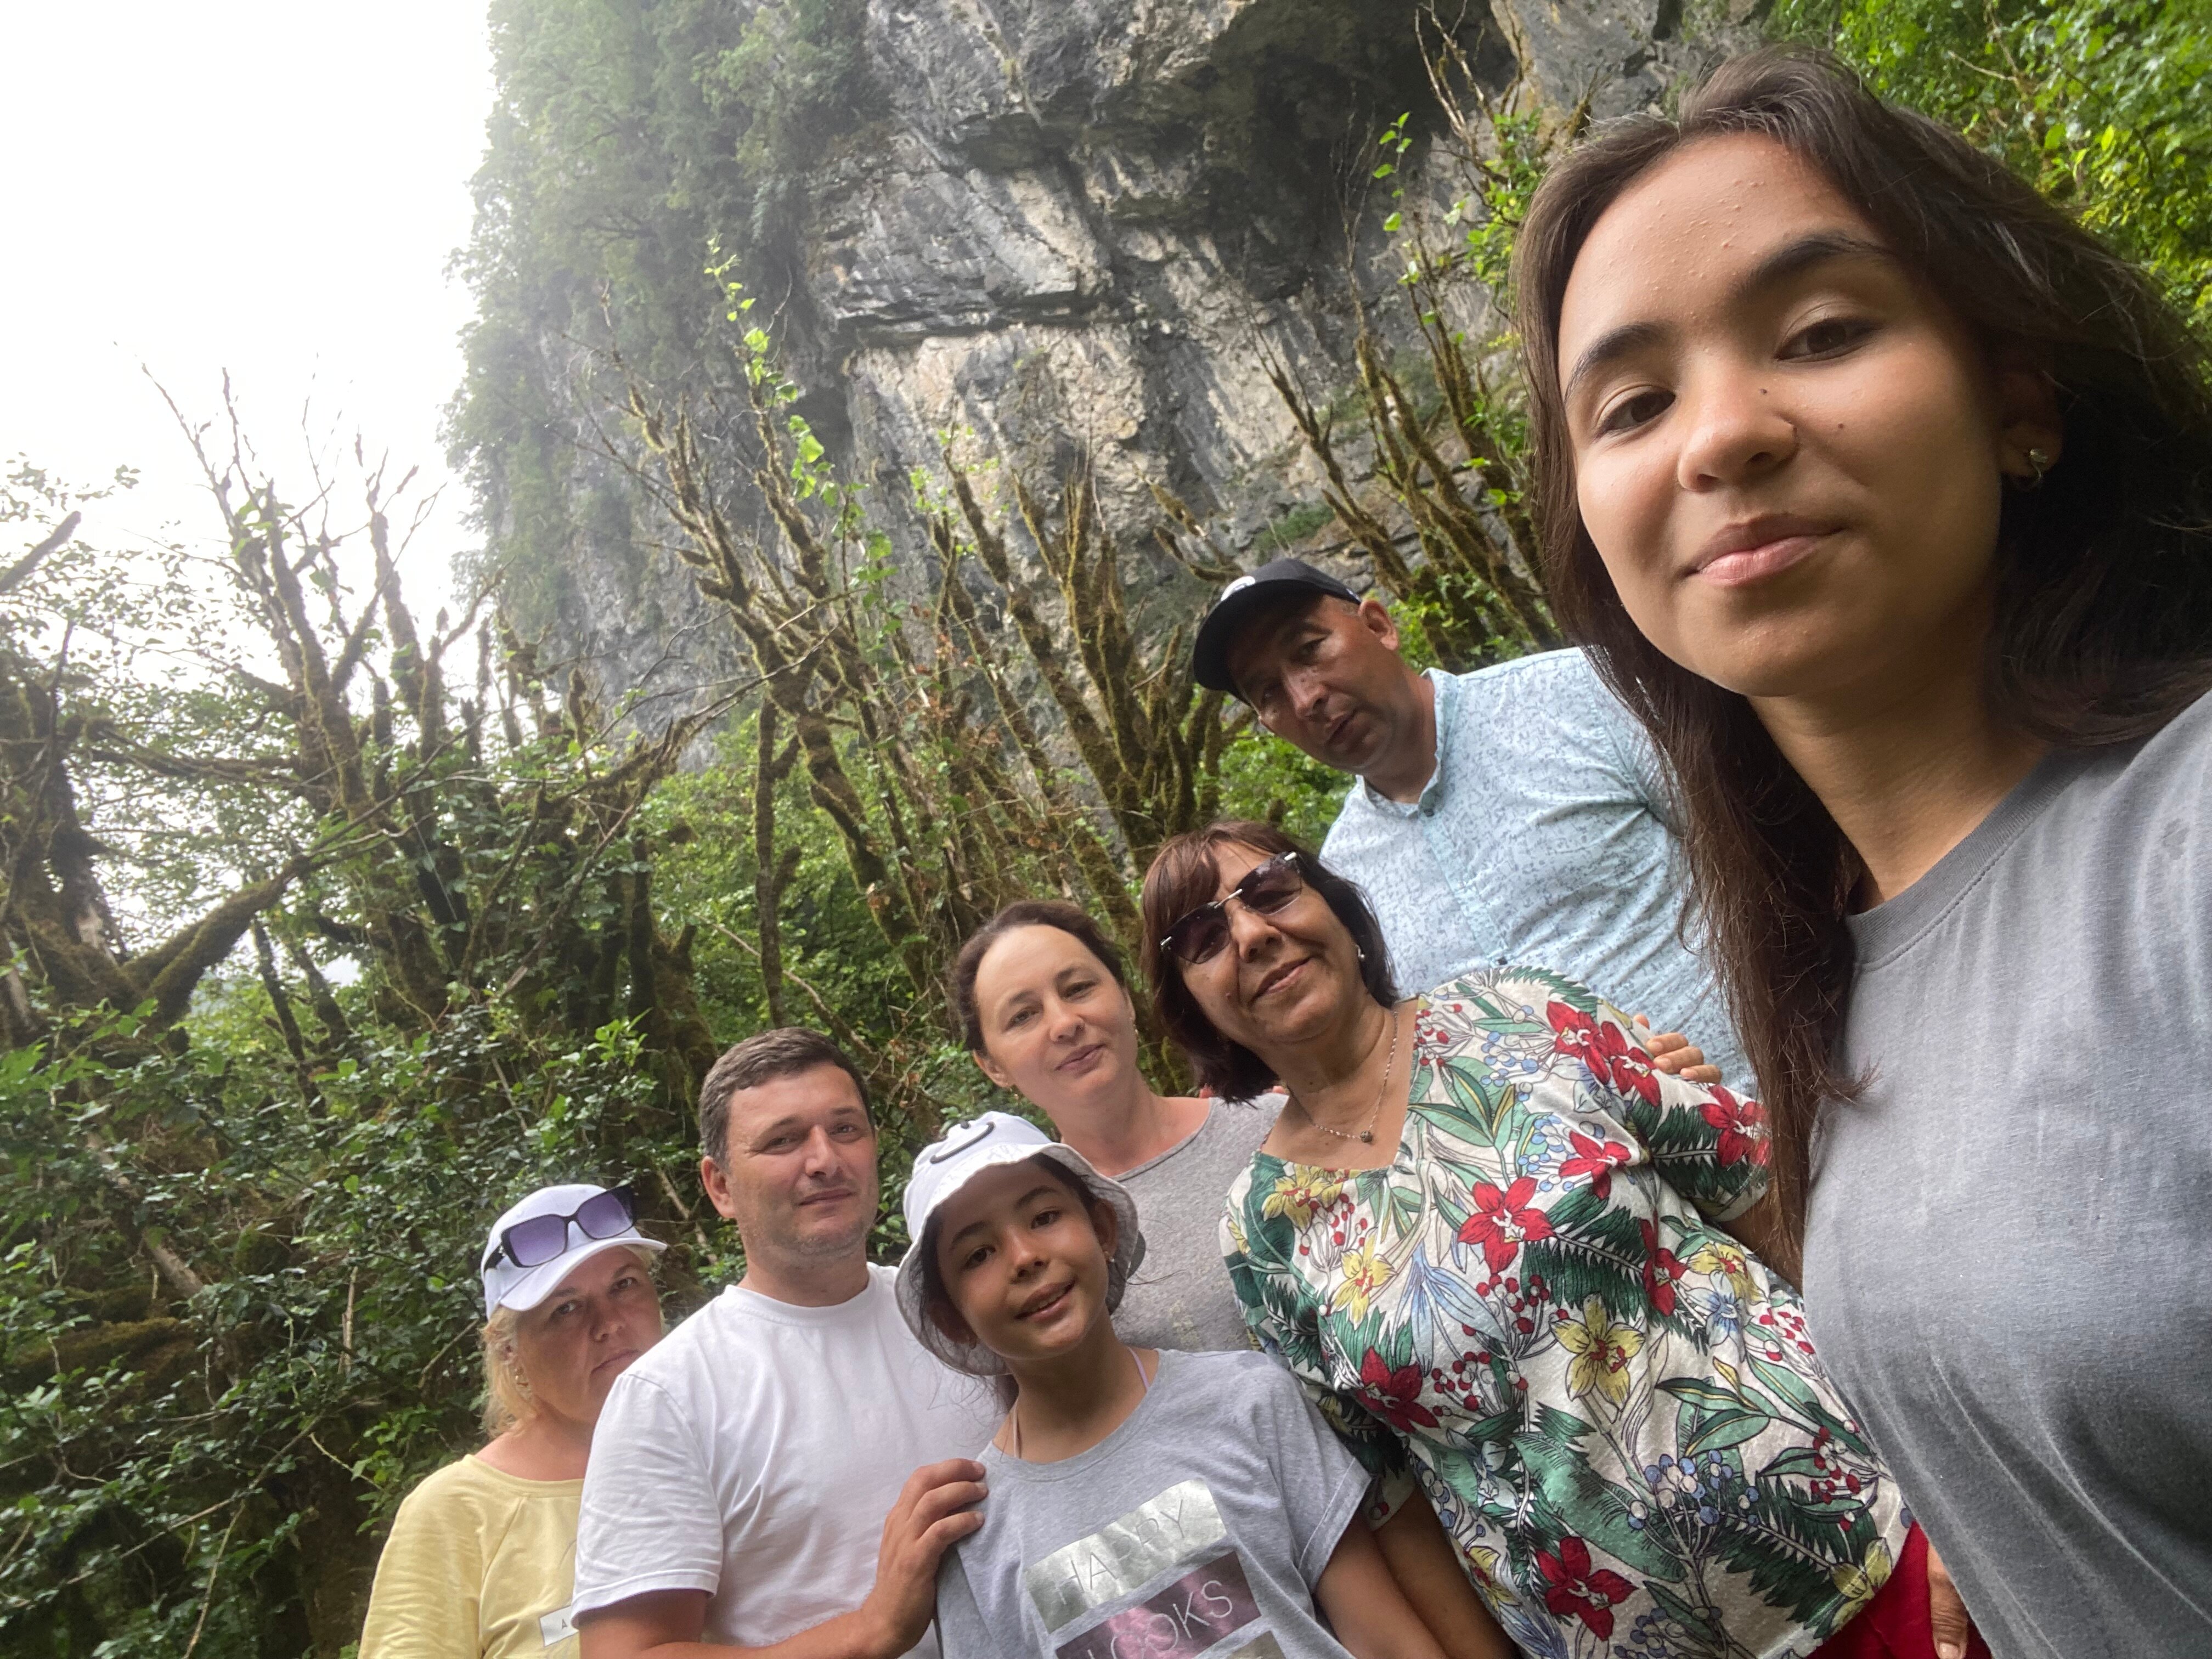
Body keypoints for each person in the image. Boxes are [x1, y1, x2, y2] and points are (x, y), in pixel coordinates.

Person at [1513, 45, 2212, 1658]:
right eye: (1635, 403)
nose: (1723, 437)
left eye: (1820, 333)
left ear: (2018, 397)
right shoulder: (1836, 979)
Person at [1144, 820, 1970, 1659]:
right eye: (1204, 938)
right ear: (1195, 1009)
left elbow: (1779, 1209)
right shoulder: (1263, 1235)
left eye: (1271, 892)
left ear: (1338, 910)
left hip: (1873, 1544)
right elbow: (1397, 1502)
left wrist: (1958, 1489)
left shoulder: (1520, 1016)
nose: (1251, 934)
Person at [950, 901, 1718, 1353]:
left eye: (1078, 987)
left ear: (1123, 995)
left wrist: (1628, 1082)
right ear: (992, 1065)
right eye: (1022, 1016)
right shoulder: (1036, 1244)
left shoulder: (1286, 1132)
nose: (1065, 1023)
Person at [896, 1110, 1511, 1659]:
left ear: (1102, 1230)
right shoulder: (975, 1539)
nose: (1024, 1255)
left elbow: (1382, 1636)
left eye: (1045, 1216)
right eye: (977, 1254)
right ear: (953, 1315)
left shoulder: (1246, 1400)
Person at [1190, 557, 1746, 1086]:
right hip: (1593, 1181)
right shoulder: (1338, 879)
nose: (1305, 697)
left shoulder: (1586, 694)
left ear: (1380, 625)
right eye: (1268, 693)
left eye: (1310, 649)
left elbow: (1767, 851)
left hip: (1783, 1108)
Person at [571, 1029, 999, 1659]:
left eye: (846, 1129)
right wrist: (870, 1632)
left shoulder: (959, 1308)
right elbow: (628, 1653)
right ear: (720, 1186)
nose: (824, 1159)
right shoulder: (670, 1395)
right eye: (783, 1140)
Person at [360, 1183, 667, 1658]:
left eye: (624, 1285)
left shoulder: (726, 1442)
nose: (609, 1323)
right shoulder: (458, 1513)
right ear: (510, 1352)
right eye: (565, 1309)